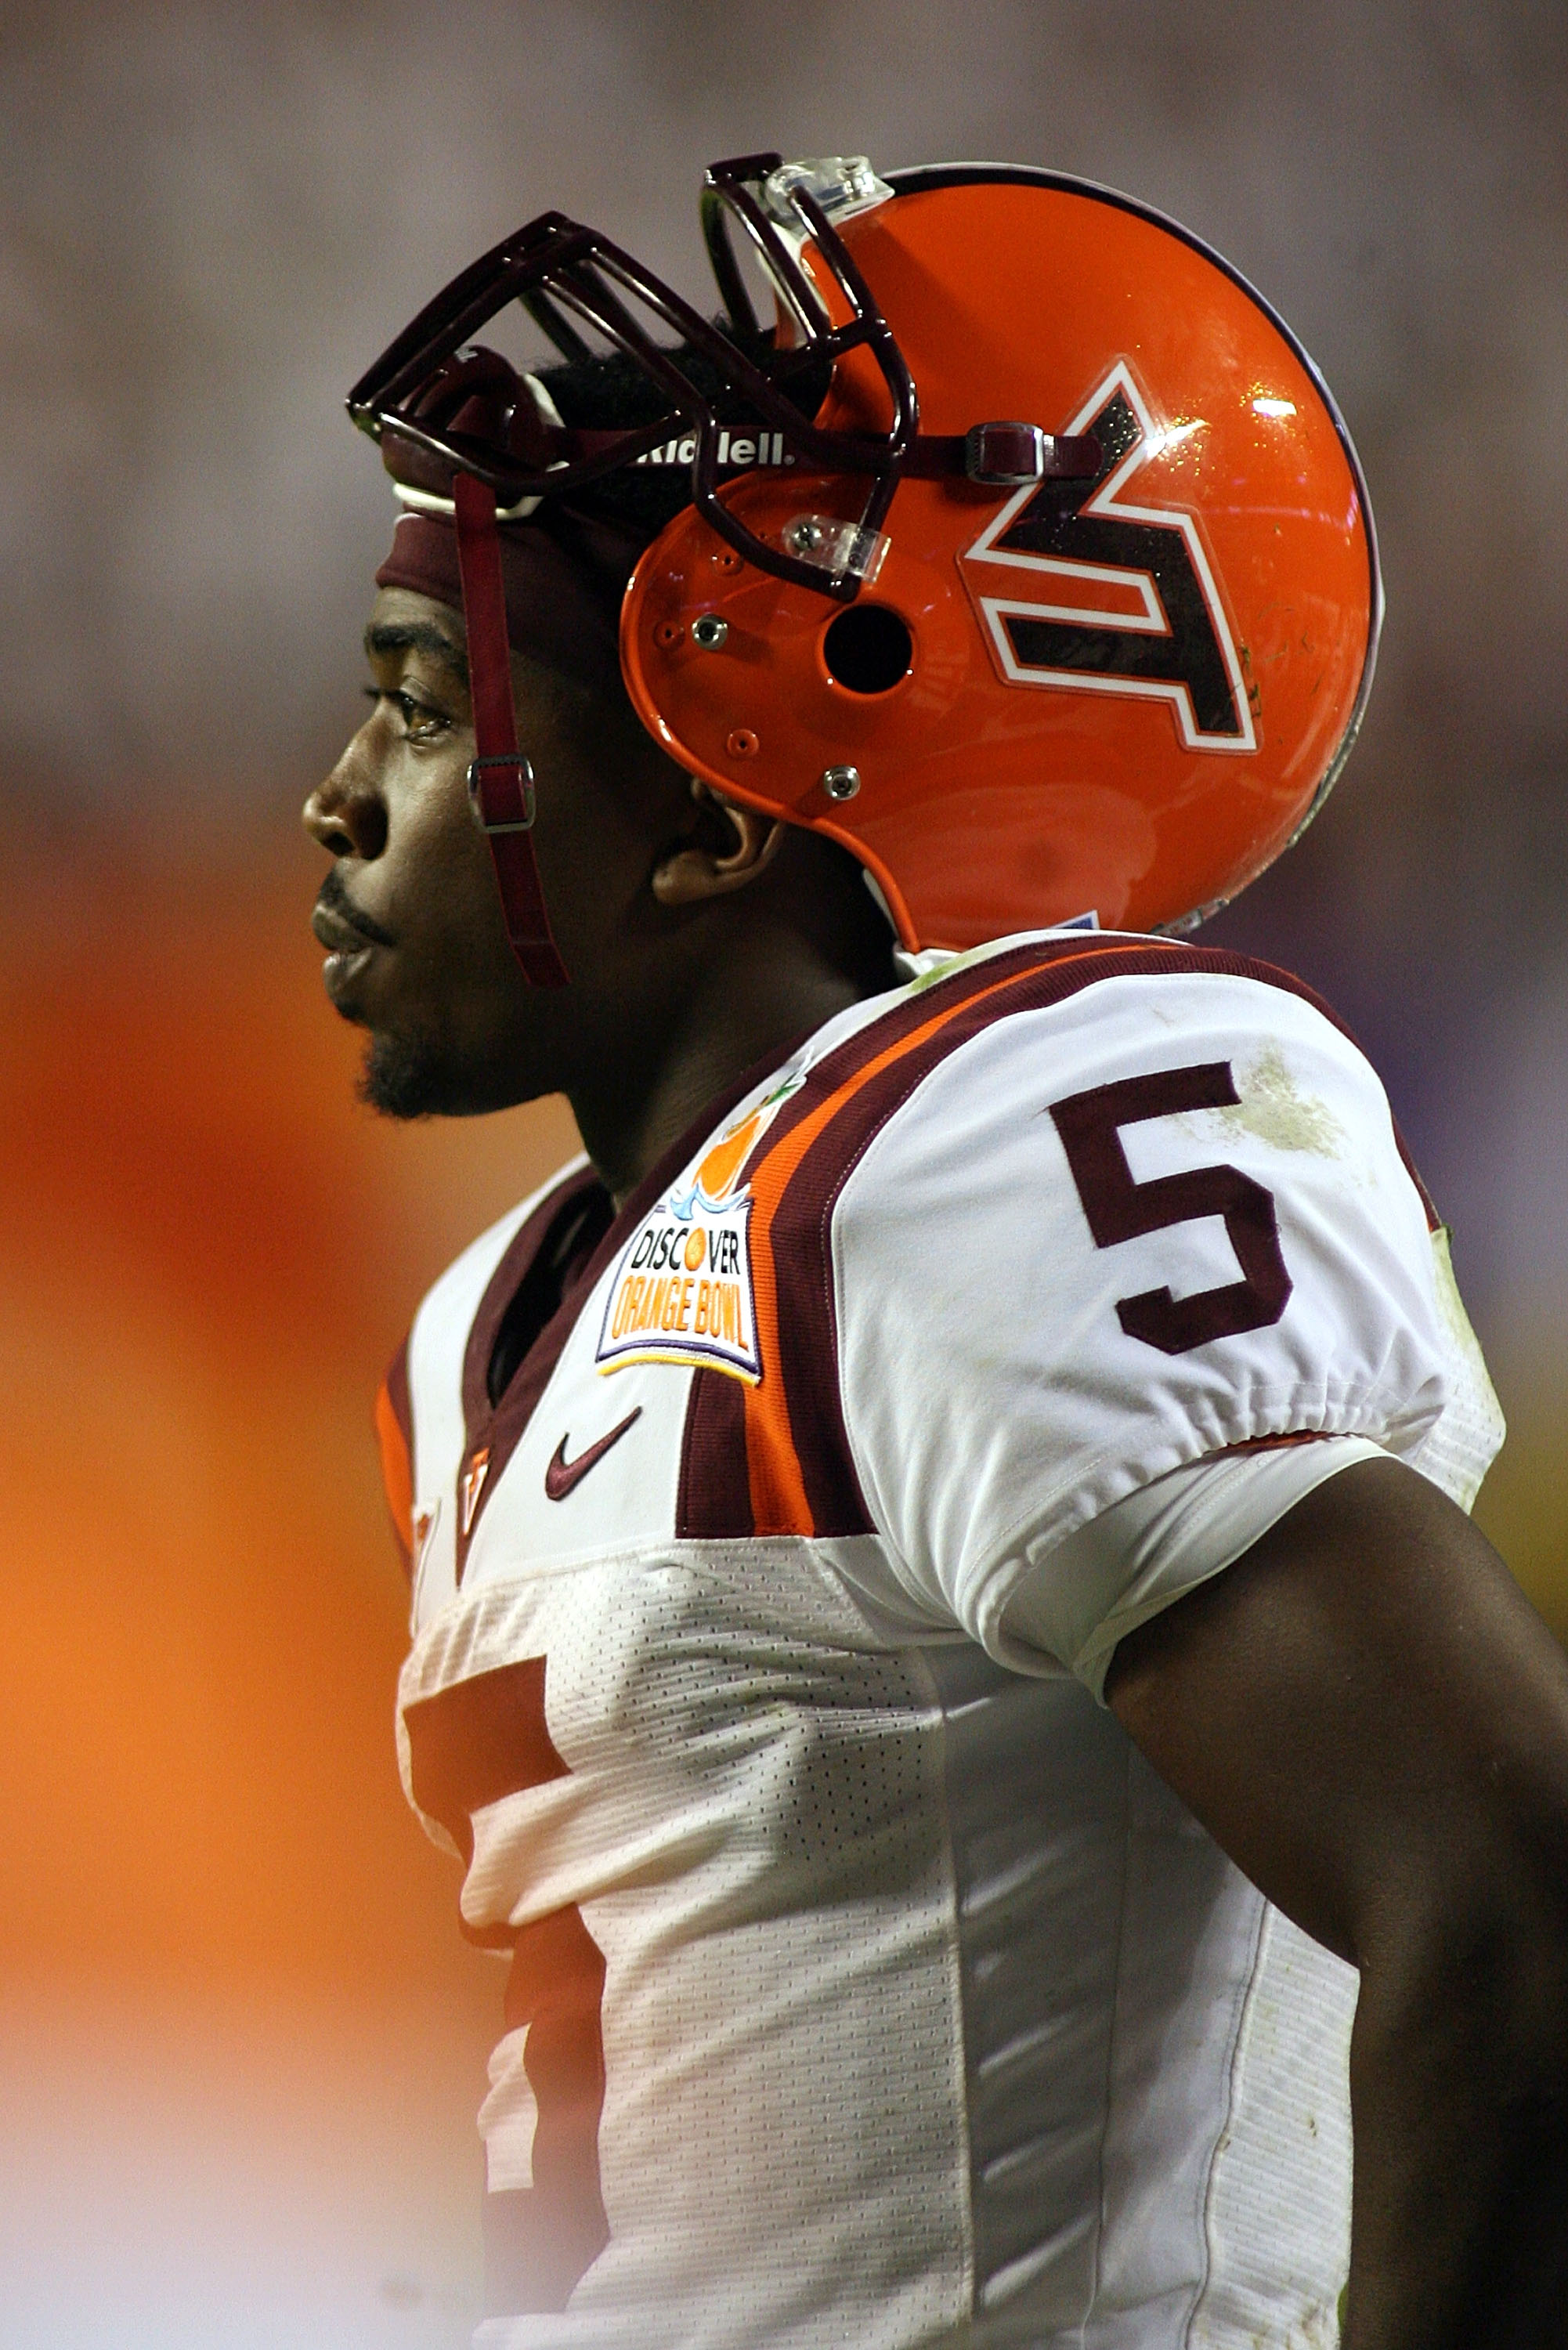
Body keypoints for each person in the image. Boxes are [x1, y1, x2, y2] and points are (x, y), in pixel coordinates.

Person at [303, 156, 1568, 2348]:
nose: (338, 794)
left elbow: (1513, 1890)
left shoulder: (985, 1136)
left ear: (707, 824)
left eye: (426, 704)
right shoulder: (501, 1308)